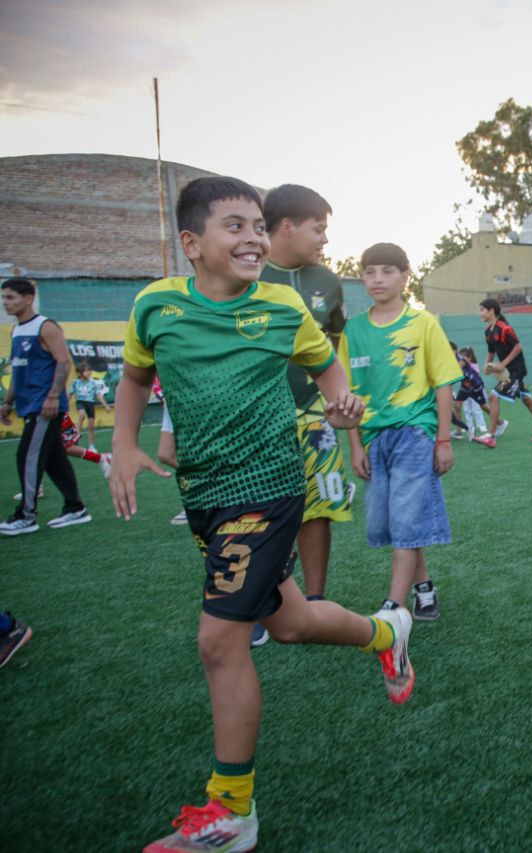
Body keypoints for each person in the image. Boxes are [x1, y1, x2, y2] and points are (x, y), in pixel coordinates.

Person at [109, 177, 413, 853]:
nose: (253, 238)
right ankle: (386, 633)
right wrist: (124, 444)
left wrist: (342, 404)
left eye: (257, 225)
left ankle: (232, 811)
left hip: (268, 488)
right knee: (292, 621)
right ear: (191, 243)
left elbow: (326, 365)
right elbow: (134, 376)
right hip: (204, 493)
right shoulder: (156, 305)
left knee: (219, 642)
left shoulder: (282, 305)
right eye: (234, 226)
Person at [341, 243, 460, 622]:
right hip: (373, 438)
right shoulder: (353, 330)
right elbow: (347, 395)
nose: (377, 279)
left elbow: (444, 384)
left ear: (405, 277)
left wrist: (443, 440)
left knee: (406, 520)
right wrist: (355, 446)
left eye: (387, 271)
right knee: (395, 522)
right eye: (370, 271)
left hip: (414, 434)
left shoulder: (423, 323)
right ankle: (424, 589)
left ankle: (394, 607)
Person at [258, 184, 353, 622]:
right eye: (318, 229)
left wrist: (340, 399)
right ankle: (260, 600)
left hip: (315, 412)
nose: (325, 240)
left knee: (317, 507)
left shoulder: (328, 282)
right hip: (258, 417)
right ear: (286, 226)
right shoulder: (247, 274)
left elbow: (332, 347)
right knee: (259, 509)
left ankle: (314, 601)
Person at [1, 277, 91, 535]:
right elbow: (18, 371)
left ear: (28, 298)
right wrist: (8, 402)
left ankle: (26, 516)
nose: (5, 303)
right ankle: (75, 508)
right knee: (54, 459)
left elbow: (63, 362)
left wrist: (52, 397)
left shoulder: (46, 326)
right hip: (28, 404)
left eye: (10, 297)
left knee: (26, 456)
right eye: (4, 298)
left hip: (44, 405)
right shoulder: (17, 331)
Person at [480, 298, 532, 443]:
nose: (480, 313)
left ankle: (491, 436)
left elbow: (518, 347)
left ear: (491, 311)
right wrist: (486, 365)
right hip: (508, 371)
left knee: (493, 397)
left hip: (516, 371)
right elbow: (491, 351)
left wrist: (502, 364)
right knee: (527, 400)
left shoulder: (505, 328)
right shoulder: (488, 332)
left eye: (482, 310)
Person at [70, 362, 111, 450]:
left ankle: (91, 445)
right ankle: (76, 435)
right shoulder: (75, 382)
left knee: (91, 425)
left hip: (90, 404)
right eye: (86, 370)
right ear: (80, 372)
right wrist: (64, 406)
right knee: (81, 415)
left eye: (89, 370)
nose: (88, 372)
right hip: (80, 402)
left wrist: (106, 405)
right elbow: (70, 394)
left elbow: (98, 395)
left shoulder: (93, 382)